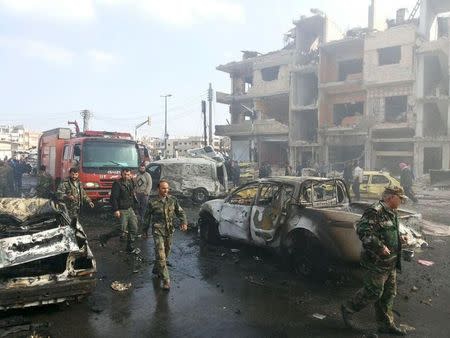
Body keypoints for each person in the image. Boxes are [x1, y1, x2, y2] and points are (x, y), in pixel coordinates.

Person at [341, 186, 408, 336]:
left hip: (390, 262)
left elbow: (388, 231)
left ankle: (385, 324)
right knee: (374, 292)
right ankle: (348, 308)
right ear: (390, 197)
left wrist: (399, 238)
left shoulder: (392, 212)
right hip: (376, 261)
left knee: (388, 294)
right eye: (400, 198)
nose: (402, 201)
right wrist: (379, 247)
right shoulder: (375, 211)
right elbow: (363, 231)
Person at [144, 179, 188, 290]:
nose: (166, 190)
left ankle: (157, 268)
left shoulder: (173, 200)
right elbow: (146, 218)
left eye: (167, 188)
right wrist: (144, 231)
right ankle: (166, 280)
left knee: (166, 252)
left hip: (169, 231)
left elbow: (180, 212)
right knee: (161, 254)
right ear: (158, 189)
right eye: (163, 188)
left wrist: (184, 222)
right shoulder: (152, 202)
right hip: (157, 231)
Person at [109, 168, 139, 253]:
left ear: (130, 174)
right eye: (125, 174)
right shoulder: (117, 184)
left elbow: (132, 194)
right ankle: (105, 237)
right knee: (121, 230)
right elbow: (113, 198)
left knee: (134, 228)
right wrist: (116, 210)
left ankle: (130, 246)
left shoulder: (131, 182)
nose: (127, 176)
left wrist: (135, 205)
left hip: (130, 208)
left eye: (128, 174)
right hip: (121, 209)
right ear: (121, 174)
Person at [134, 163, 152, 236]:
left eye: (143, 168)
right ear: (139, 168)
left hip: (144, 194)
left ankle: (143, 219)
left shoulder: (147, 175)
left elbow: (149, 184)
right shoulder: (137, 175)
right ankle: (139, 218)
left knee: (144, 207)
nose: (142, 169)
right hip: (138, 193)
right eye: (141, 168)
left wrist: (146, 192)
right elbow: (135, 183)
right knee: (138, 206)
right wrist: (135, 191)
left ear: (145, 168)